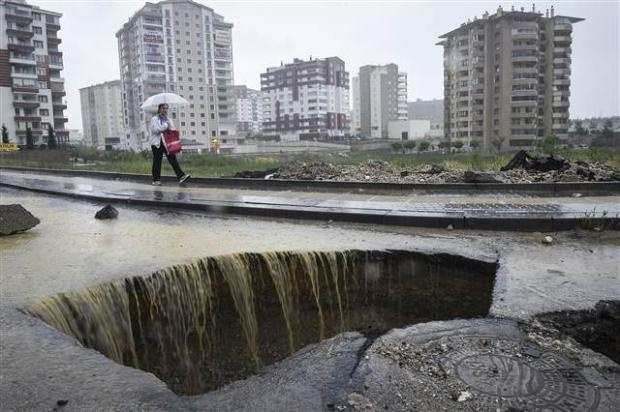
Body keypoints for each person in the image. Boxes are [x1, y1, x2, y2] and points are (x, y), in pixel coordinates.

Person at [150, 103, 190, 185]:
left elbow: (172, 129)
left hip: (167, 143)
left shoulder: (169, 120)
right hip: (157, 143)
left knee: (173, 159)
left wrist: (169, 127)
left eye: (166, 108)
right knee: (157, 161)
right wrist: (165, 125)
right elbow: (155, 130)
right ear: (159, 109)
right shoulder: (154, 119)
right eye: (163, 108)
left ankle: (181, 176)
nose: (165, 110)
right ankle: (156, 180)